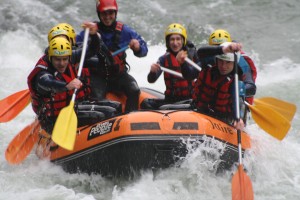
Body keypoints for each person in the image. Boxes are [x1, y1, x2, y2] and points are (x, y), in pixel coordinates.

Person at [27, 25, 115, 134]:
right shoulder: (42, 73)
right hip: (54, 120)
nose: (62, 63)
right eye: (57, 60)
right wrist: (67, 86)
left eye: (65, 59)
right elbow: (48, 83)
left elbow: (92, 50)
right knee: (105, 115)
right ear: (50, 57)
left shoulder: (69, 56)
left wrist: (94, 35)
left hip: (73, 108)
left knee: (115, 107)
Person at [76, 0, 148, 113]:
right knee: (98, 99)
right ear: (99, 14)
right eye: (104, 13)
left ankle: (131, 119)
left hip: (117, 75)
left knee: (134, 90)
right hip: (97, 77)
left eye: (111, 13)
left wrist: (138, 48)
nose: (108, 17)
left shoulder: (125, 31)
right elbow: (75, 49)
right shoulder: (89, 32)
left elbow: (144, 50)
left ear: (116, 13)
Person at [178, 42, 256, 129]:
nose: (223, 66)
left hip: (223, 120)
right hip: (200, 110)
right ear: (216, 60)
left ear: (234, 63)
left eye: (228, 62)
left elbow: (239, 102)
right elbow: (198, 55)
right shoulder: (208, 69)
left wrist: (239, 119)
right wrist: (183, 64)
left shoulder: (235, 83)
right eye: (221, 61)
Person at [142, 23, 197, 109]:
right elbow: (151, 80)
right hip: (171, 100)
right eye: (172, 39)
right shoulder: (163, 59)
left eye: (178, 39)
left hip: (189, 100)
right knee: (145, 103)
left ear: (183, 40)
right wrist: (152, 72)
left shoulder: (193, 55)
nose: (175, 43)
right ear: (168, 42)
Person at [201, 29, 257, 104]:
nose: (221, 52)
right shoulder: (209, 57)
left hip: (234, 103)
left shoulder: (241, 62)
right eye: (216, 47)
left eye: (223, 46)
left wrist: (239, 89)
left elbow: (251, 87)